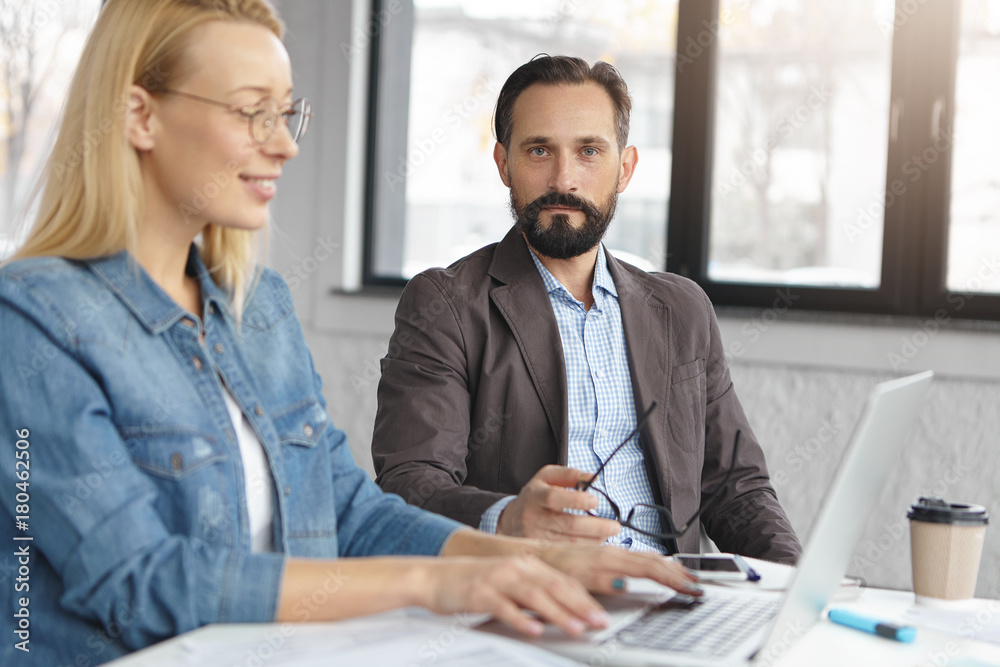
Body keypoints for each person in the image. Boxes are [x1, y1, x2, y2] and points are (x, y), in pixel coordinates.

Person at [0, 8, 699, 666]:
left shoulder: (259, 307)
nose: (283, 143)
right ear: (140, 115)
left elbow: (349, 510)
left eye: (285, 113)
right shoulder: (31, 321)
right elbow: (138, 582)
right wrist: (433, 583)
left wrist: (527, 558)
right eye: (252, 113)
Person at [372, 55, 802, 563]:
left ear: (625, 169)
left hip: (673, 600)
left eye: (589, 151)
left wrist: (794, 593)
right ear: (503, 164)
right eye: (538, 150)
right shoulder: (447, 305)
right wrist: (508, 520)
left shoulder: (683, 310)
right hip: (536, 604)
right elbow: (412, 486)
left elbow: (737, 489)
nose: (564, 179)